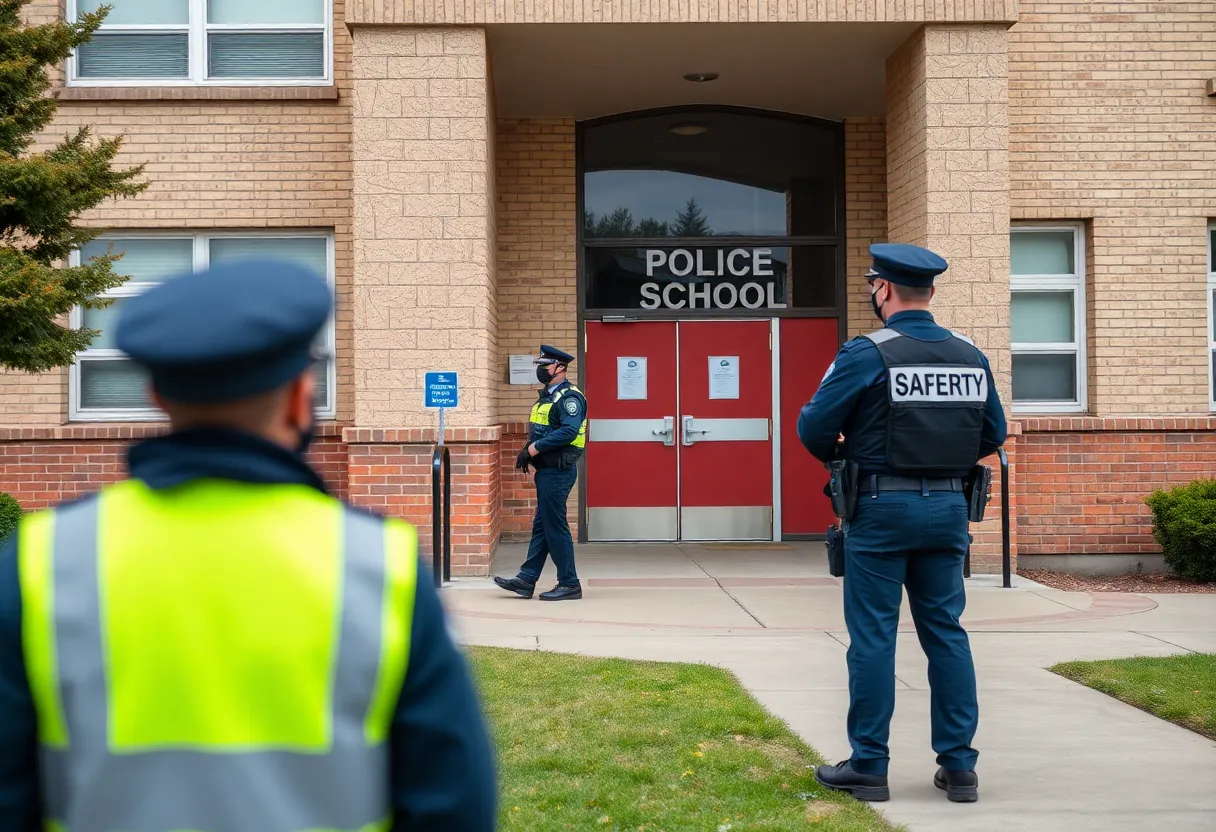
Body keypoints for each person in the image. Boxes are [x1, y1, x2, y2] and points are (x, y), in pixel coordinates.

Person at [0, 259, 498, 831]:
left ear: (157, 397)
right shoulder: (381, 566)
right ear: (300, 398)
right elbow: (454, 806)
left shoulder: (42, 559)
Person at [796, 243, 1007, 804]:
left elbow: (813, 425)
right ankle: (960, 768)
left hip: (881, 509)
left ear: (883, 289)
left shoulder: (867, 352)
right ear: (930, 292)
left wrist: (845, 454)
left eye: (873, 286)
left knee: (873, 637)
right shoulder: (970, 355)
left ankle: (869, 766)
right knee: (947, 633)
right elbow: (994, 432)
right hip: (949, 509)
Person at [493, 344, 587, 602]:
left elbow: (568, 431)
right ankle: (526, 579)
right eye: (540, 365)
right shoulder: (548, 396)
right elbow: (544, 429)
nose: (541, 370)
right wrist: (529, 449)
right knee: (542, 525)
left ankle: (569, 583)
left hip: (558, 471)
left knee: (555, 527)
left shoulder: (569, 397)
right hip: (547, 470)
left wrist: (534, 448)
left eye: (546, 366)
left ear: (561, 368)